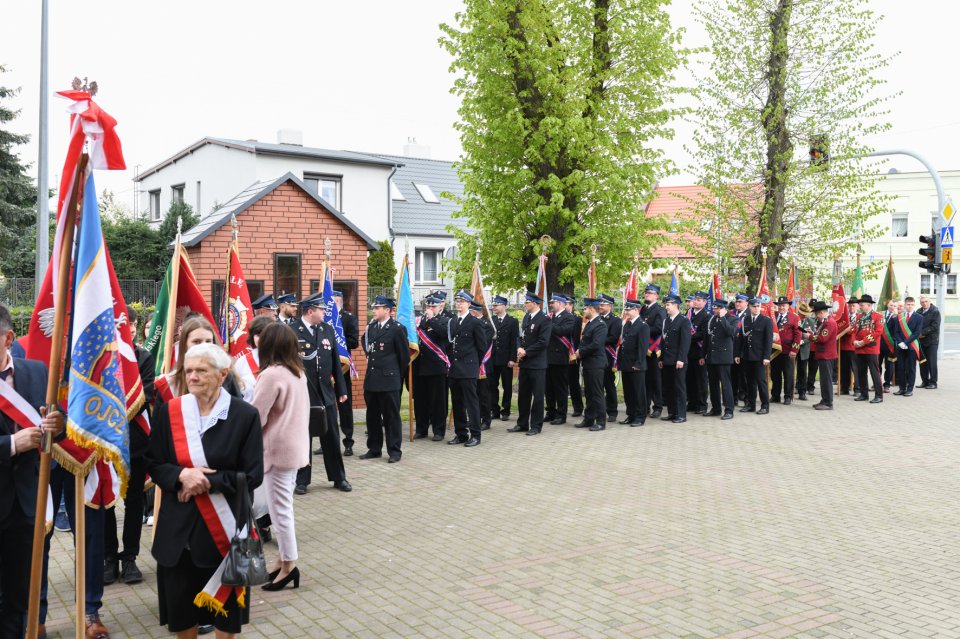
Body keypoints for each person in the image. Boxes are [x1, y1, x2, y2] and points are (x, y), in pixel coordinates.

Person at [148, 343, 264, 639]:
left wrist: (208, 482)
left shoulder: (245, 415)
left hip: (225, 534)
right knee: (181, 615)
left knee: (227, 619)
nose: (193, 377)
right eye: (188, 371)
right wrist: (181, 475)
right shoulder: (168, 413)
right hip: (177, 534)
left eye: (201, 370)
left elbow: (252, 475)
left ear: (223, 373)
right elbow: (154, 464)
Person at [0, 304, 66, 639]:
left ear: (8, 338)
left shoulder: (38, 372)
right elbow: (19, 441)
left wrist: (59, 424)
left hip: (28, 502)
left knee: (23, 590)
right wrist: (13, 443)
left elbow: (61, 428)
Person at [251, 322, 311, 591]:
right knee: (282, 508)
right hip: (294, 447)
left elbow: (256, 416)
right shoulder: (297, 372)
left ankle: (289, 565)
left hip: (275, 450)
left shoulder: (272, 374)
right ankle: (283, 560)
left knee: (280, 512)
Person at [105, 305, 155, 587]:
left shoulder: (142, 356)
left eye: (129, 326)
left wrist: (110, 411)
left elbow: (146, 391)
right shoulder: (98, 357)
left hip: (134, 441)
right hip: (104, 442)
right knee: (105, 501)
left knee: (133, 501)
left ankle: (130, 556)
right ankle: (109, 557)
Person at [292, 294, 350, 492]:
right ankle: (301, 480)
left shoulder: (326, 329)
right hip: (303, 394)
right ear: (310, 311)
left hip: (326, 394)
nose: (324, 312)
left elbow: (335, 361)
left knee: (332, 437)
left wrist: (341, 389)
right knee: (303, 438)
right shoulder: (291, 330)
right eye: (321, 309)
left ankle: (338, 478)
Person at [360, 296, 410, 461]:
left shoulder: (397, 329)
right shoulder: (371, 327)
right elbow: (365, 342)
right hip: (372, 379)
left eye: (377, 308)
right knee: (372, 416)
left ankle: (394, 451)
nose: (373, 310)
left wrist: (395, 375)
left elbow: (404, 358)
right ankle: (374, 448)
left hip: (389, 381)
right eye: (373, 307)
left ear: (388, 310)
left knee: (391, 418)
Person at [508, 292, 552, 436]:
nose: (525, 305)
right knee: (523, 395)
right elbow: (520, 336)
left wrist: (526, 351)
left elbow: (543, 342)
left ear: (535, 303)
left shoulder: (544, 319)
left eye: (527, 302)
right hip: (525, 363)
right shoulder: (527, 317)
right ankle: (522, 423)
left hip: (537, 363)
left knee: (538, 396)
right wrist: (519, 347)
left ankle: (536, 425)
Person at [413, 295, 450, 441]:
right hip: (419, 366)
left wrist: (431, 319)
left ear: (440, 307)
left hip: (436, 367)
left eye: (432, 306)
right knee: (420, 400)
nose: (429, 309)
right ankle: (421, 429)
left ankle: (438, 430)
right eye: (427, 307)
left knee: (437, 401)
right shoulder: (418, 321)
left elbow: (443, 334)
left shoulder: (445, 321)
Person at [331, 290, 360, 456]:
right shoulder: (325, 320)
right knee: (328, 407)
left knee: (345, 406)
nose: (333, 303)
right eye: (331, 300)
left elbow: (354, 342)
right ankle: (327, 441)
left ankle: (348, 442)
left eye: (335, 300)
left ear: (341, 301)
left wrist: (338, 340)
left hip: (342, 367)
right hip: (327, 369)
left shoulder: (349, 318)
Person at [575, 298, 608, 431]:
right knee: (589, 393)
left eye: (585, 308)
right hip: (588, 363)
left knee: (597, 393)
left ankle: (601, 421)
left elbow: (596, 344)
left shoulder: (600, 324)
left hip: (596, 363)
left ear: (592, 309)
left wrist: (580, 352)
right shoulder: (590, 323)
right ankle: (589, 418)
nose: (584, 311)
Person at [736, 299, 773, 415]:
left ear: (760, 307)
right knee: (750, 382)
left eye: (758, 306)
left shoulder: (766, 320)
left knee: (761, 382)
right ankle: (751, 405)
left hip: (760, 357)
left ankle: (765, 405)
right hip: (747, 356)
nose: (756, 308)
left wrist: (767, 356)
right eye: (754, 306)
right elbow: (741, 338)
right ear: (750, 307)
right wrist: (738, 354)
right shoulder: (745, 319)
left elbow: (768, 340)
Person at [616, 299, 649, 426]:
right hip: (626, 363)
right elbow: (623, 345)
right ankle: (631, 414)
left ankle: (640, 416)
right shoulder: (628, 325)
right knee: (628, 391)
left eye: (629, 309)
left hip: (636, 365)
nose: (626, 312)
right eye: (626, 309)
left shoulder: (642, 326)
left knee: (638, 392)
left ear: (636, 310)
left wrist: (639, 363)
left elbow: (642, 347)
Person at [546, 294, 577, 425]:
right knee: (548, 388)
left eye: (554, 302)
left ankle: (561, 414)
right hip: (548, 357)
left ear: (561, 304)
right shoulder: (550, 317)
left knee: (560, 388)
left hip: (560, 357)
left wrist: (548, 323)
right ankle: (550, 412)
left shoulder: (569, 317)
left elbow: (561, 331)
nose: (551, 304)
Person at [659, 295, 691, 423]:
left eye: (668, 305)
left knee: (679, 388)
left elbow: (685, 342)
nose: (666, 307)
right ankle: (672, 412)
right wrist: (661, 358)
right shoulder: (666, 321)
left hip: (678, 360)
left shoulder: (683, 321)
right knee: (669, 388)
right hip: (667, 359)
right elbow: (663, 340)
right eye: (666, 305)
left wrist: (681, 359)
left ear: (676, 305)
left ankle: (681, 414)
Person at [705, 298, 737, 419]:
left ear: (724, 309)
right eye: (714, 308)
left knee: (726, 385)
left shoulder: (732, 319)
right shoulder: (712, 319)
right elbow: (707, 338)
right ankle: (716, 408)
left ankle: (729, 410)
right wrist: (704, 355)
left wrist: (723, 318)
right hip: (712, 356)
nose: (715, 310)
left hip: (723, 357)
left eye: (717, 308)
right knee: (713, 385)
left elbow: (730, 332)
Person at [488, 295, 519, 421]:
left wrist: (513, 358)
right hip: (493, 359)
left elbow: (514, 341)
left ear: (504, 306)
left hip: (506, 359)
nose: (494, 307)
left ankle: (505, 410)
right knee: (492, 386)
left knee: (507, 386)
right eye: (493, 305)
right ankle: (494, 410)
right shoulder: (491, 320)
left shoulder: (512, 321)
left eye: (496, 305)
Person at [852, 294, 884, 404]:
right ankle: (864, 394)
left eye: (862, 305)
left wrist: (863, 341)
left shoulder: (878, 316)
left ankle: (879, 395)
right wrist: (854, 341)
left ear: (869, 305)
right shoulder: (859, 317)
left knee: (874, 372)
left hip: (871, 348)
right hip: (859, 349)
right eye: (860, 305)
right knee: (861, 372)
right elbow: (854, 331)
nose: (860, 307)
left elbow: (877, 332)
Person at [233, 315, 274, 402]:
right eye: (259, 335)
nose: (263, 339)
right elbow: (235, 392)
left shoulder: (282, 359)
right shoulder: (242, 362)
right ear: (252, 337)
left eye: (266, 335)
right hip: (248, 413)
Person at [640, 284, 666, 418]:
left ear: (656, 295)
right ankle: (645, 406)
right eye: (646, 293)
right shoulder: (643, 309)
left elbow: (657, 328)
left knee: (655, 379)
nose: (647, 295)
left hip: (654, 349)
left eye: (650, 293)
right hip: (643, 348)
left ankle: (658, 406)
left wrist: (642, 330)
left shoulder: (659, 310)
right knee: (645, 379)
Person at [770, 296, 801, 405]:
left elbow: (798, 335)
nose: (781, 307)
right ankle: (775, 395)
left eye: (783, 305)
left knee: (788, 375)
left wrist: (794, 350)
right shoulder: (773, 317)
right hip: (775, 351)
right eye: (779, 305)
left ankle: (788, 396)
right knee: (774, 374)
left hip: (788, 351)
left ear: (788, 306)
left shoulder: (794, 318)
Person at [471, 301, 496, 431]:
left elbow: (482, 345)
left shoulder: (487, 325)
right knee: (474, 393)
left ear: (475, 311)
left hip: (483, 365)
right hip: (472, 364)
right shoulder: (472, 323)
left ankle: (486, 419)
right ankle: (476, 417)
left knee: (484, 394)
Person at [892, 296, 924, 397]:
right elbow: (895, 332)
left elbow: (916, 333)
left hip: (911, 346)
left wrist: (905, 342)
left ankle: (909, 389)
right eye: (908, 304)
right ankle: (902, 388)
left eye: (912, 304)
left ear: (914, 305)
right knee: (900, 368)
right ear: (905, 305)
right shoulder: (899, 317)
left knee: (911, 368)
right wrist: (900, 343)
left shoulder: (919, 317)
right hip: (901, 347)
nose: (910, 306)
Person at [597, 294, 622, 423]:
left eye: (602, 304)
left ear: (609, 306)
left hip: (608, 356)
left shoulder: (615, 320)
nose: (600, 307)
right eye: (599, 304)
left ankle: (612, 411)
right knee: (598, 385)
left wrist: (597, 340)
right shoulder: (597, 319)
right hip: (597, 356)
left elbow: (614, 338)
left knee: (609, 384)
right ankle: (599, 410)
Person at [810, 300, 838, 410]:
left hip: (827, 355)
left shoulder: (829, 323)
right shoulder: (825, 322)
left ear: (821, 313)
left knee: (826, 380)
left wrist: (810, 337)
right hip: (823, 355)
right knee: (823, 379)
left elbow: (822, 338)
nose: (816, 316)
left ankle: (828, 403)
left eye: (816, 314)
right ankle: (824, 399)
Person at [686, 292, 710, 415]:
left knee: (701, 380)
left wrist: (686, 338)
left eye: (699, 300)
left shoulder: (706, 316)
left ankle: (701, 404)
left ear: (705, 302)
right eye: (695, 299)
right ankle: (691, 403)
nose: (696, 302)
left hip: (699, 352)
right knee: (689, 379)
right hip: (688, 352)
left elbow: (703, 334)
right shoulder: (688, 314)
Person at [564, 297, 584, 418]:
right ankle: (560, 409)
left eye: (565, 304)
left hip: (573, 355)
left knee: (573, 382)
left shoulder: (578, 319)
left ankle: (578, 407)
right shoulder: (555, 318)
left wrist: (576, 353)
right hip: (559, 354)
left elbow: (580, 337)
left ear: (571, 305)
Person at [729, 293, 750, 404]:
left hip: (743, 349)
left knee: (744, 376)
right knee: (733, 375)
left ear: (746, 303)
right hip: (731, 349)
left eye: (740, 302)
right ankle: (733, 398)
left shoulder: (750, 314)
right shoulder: (731, 313)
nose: (737, 303)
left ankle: (747, 399)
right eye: (737, 301)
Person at [838, 296, 860, 396]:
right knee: (844, 368)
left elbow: (855, 330)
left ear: (857, 307)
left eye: (853, 306)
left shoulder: (860, 317)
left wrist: (848, 330)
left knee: (856, 368)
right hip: (843, 345)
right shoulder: (843, 317)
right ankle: (844, 388)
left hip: (854, 346)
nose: (851, 308)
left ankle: (857, 389)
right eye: (850, 306)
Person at [917, 295, 940, 389]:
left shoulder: (935, 311)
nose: (924, 303)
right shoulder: (918, 311)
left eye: (926, 301)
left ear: (930, 302)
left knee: (932, 362)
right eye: (922, 302)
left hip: (932, 341)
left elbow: (935, 326)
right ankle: (925, 381)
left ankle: (933, 382)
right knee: (922, 362)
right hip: (921, 341)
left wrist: (922, 333)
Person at [796, 301, 817, 401]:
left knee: (803, 371)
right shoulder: (794, 320)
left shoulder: (811, 322)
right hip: (793, 348)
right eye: (802, 314)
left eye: (805, 315)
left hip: (804, 349)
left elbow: (810, 337)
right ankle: (791, 390)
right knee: (790, 371)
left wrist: (802, 341)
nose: (804, 316)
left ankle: (802, 392)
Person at [880, 299, 899, 390]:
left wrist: (896, 318)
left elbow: (898, 330)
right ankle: (877, 383)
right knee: (877, 364)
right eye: (891, 305)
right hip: (879, 345)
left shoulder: (899, 317)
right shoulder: (881, 314)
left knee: (889, 365)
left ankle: (887, 384)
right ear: (888, 305)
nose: (892, 307)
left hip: (890, 345)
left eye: (895, 306)